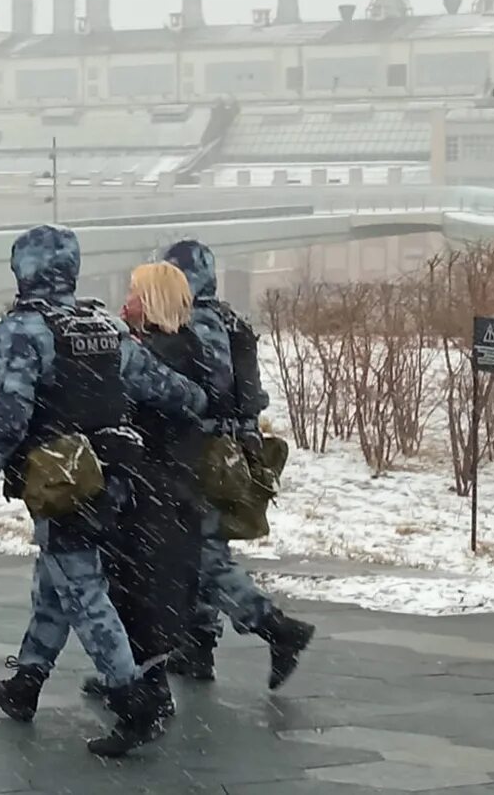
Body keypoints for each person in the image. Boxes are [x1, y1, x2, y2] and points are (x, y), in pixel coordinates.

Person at [0, 225, 209, 758]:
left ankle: (132, 700)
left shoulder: (24, 329)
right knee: (55, 584)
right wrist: (200, 404)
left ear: (22, 268)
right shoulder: (101, 324)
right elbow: (168, 389)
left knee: (83, 592)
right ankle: (25, 684)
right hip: (112, 475)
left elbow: (6, 415)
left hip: (61, 477)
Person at [161, 239, 315, 690]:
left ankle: (276, 627)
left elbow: (209, 388)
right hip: (228, 449)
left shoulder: (198, 322)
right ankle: (198, 646)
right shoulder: (230, 318)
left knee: (204, 554)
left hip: (205, 451)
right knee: (202, 549)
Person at [81, 262, 211, 718]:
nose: (126, 300)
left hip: (159, 487)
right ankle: (135, 677)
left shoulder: (168, 350)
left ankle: (150, 691)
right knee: (139, 585)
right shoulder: (171, 345)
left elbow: (147, 398)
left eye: (133, 293)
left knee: (145, 588)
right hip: (162, 484)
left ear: (152, 300)